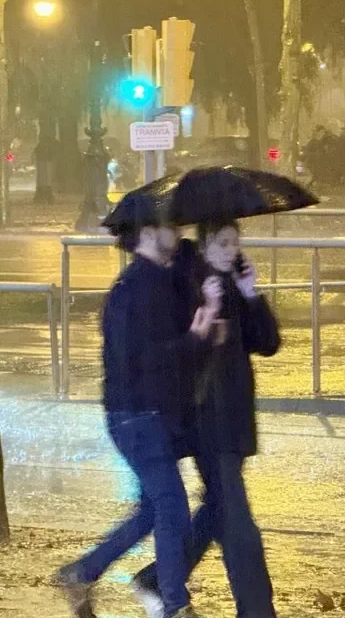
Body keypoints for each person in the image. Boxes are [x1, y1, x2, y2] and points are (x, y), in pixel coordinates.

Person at [55, 195, 220, 618]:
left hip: (151, 414)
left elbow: (172, 352)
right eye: (171, 226)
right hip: (136, 415)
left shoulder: (158, 281)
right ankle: (173, 604)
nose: (179, 232)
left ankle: (83, 572)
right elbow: (147, 360)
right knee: (170, 505)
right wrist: (196, 336)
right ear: (148, 233)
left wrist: (202, 327)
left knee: (152, 509)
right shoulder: (136, 290)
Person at [132, 220, 282, 618]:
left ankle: (156, 578)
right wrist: (207, 315)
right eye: (224, 243)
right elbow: (183, 354)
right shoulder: (192, 287)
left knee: (219, 511)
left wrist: (251, 293)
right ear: (206, 245)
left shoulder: (232, 285)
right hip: (207, 424)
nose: (232, 250)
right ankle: (257, 611)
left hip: (235, 421)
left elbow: (268, 343)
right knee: (239, 526)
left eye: (236, 243)